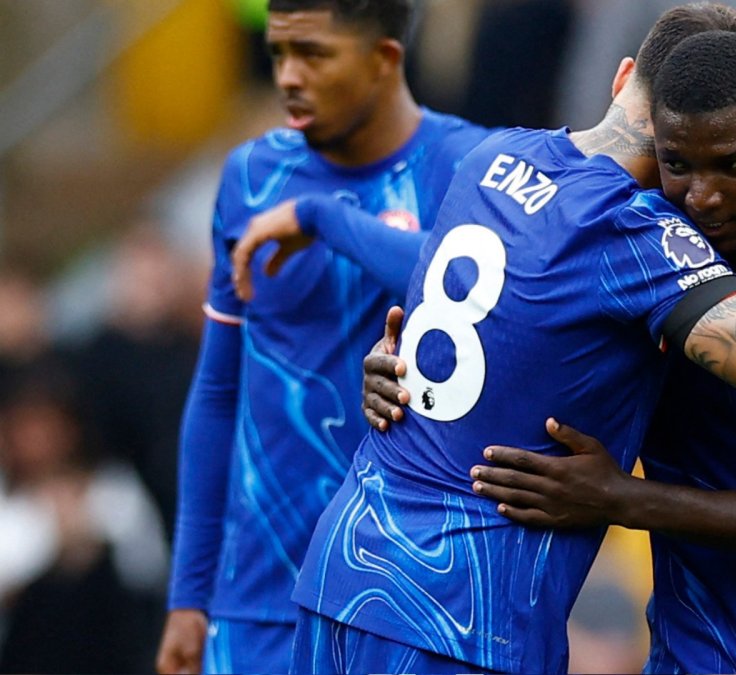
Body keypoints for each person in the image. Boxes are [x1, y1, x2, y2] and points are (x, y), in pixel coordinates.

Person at [232, 4, 736, 671]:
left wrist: (322, 214)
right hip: (461, 611)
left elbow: (442, 270)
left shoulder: (494, 155)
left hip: (345, 566)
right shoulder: (634, 233)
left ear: (622, 80)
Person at [368, 29, 736, 673]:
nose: (703, 195)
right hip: (688, 655)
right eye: (679, 164)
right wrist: (403, 370)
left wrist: (623, 500)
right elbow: (497, 315)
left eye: (732, 163)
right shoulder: (640, 254)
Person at [154, 1, 491, 673]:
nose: (288, 76)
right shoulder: (252, 177)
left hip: (408, 596)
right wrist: (190, 593)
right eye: (279, 53)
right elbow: (219, 390)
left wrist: (324, 219)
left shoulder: (470, 165)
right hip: (258, 600)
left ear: (384, 58)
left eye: (313, 53)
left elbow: (468, 289)